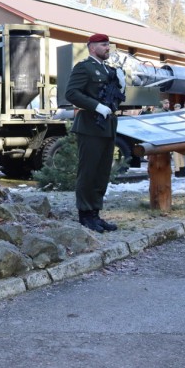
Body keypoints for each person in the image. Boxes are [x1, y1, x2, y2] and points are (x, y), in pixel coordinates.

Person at [65, 33, 123, 233]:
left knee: (102, 172)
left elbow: (115, 98)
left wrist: (120, 85)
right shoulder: (84, 67)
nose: (108, 48)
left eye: (109, 45)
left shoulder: (109, 70)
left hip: (107, 126)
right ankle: (85, 215)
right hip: (90, 125)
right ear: (92, 47)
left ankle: (95, 214)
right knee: (88, 171)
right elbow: (71, 93)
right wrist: (96, 106)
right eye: (104, 45)